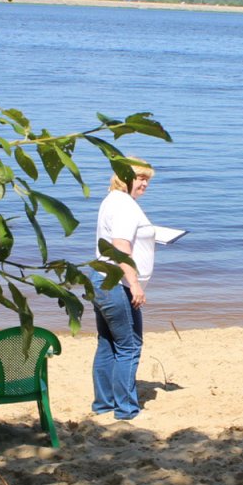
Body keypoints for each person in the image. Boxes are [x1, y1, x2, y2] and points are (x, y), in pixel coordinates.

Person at [89, 158, 156, 421]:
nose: (145, 184)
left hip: (101, 277)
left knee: (107, 343)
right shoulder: (125, 206)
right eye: (140, 178)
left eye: (147, 179)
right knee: (129, 345)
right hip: (117, 282)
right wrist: (135, 284)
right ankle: (126, 409)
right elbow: (120, 248)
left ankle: (103, 404)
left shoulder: (112, 200)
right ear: (124, 177)